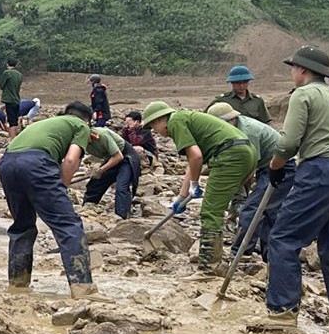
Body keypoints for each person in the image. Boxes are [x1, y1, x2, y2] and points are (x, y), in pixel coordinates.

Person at [251, 46, 329, 334]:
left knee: (284, 238)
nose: (292, 73)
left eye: (293, 68)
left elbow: (288, 143)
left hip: (320, 170)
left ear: (302, 70)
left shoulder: (303, 94)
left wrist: (275, 166)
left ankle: (282, 314)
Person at [0, 102, 107, 301]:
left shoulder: (50, 123)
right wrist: (62, 187)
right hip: (36, 163)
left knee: (22, 226)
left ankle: (18, 285)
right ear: (87, 120)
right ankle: (83, 288)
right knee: (68, 225)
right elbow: (71, 160)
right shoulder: (81, 126)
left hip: (7, 163)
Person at [143, 101, 256, 274]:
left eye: (153, 127)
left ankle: (209, 268)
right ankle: (219, 260)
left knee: (210, 211)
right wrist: (182, 196)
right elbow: (191, 162)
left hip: (229, 155)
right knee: (217, 206)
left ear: (159, 120)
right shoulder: (186, 118)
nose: (155, 131)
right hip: (246, 153)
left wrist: (195, 185)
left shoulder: (175, 122)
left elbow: (196, 157)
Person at [206, 102, 296, 265]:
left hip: (281, 167)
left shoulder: (247, 132)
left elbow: (249, 167)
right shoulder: (233, 129)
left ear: (231, 120)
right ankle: (269, 255)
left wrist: (237, 187)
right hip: (267, 167)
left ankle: (240, 253)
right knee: (269, 210)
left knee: (252, 209)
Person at [83, 126, 140, 219]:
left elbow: (118, 157)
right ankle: (88, 207)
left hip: (126, 157)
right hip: (111, 158)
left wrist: (101, 170)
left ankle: (122, 217)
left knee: (122, 187)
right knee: (96, 182)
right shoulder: (79, 142)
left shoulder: (101, 135)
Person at [0, 59, 23, 140]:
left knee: (11, 120)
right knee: (15, 120)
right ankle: (16, 137)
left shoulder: (7, 73)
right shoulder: (19, 74)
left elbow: (1, 85)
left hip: (9, 99)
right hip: (17, 99)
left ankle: (12, 139)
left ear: (7, 64)